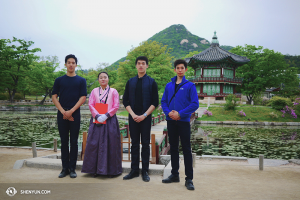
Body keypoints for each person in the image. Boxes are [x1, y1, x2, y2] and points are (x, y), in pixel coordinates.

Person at [161, 59, 199, 190]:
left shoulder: (190, 85)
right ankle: (174, 174)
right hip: (171, 121)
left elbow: (195, 104)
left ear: (186, 69)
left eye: (182, 68)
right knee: (174, 148)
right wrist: (169, 113)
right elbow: (164, 101)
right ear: (175, 69)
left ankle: (189, 179)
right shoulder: (168, 85)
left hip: (183, 122)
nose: (180, 70)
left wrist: (180, 114)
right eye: (178, 68)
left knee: (187, 149)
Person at [122, 56, 159, 182]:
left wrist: (144, 115)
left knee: (145, 144)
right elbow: (125, 100)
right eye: (139, 63)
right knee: (134, 144)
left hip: (146, 117)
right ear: (136, 66)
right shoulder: (130, 82)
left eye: (143, 63)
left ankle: (145, 171)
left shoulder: (151, 82)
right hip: (133, 117)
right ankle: (134, 171)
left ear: (147, 66)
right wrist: (132, 114)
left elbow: (155, 102)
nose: (141, 65)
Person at [52, 54, 87, 178]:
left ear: (76, 65)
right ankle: (64, 168)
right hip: (62, 113)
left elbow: (83, 97)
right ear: (65, 64)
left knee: (74, 141)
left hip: (75, 113)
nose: (71, 64)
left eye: (73, 62)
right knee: (64, 141)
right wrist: (63, 112)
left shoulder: (81, 80)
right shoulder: (59, 80)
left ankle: (72, 168)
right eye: (69, 62)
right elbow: (54, 96)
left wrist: (71, 111)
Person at [81, 72, 122, 177]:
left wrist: (107, 115)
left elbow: (116, 105)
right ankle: (95, 170)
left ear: (108, 79)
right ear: (98, 80)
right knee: (95, 143)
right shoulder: (94, 91)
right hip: (97, 120)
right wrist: (97, 115)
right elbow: (91, 104)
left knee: (111, 143)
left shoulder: (114, 91)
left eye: (105, 77)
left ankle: (111, 171)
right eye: (101, 78)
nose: (103, 79)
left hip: (110, 120)